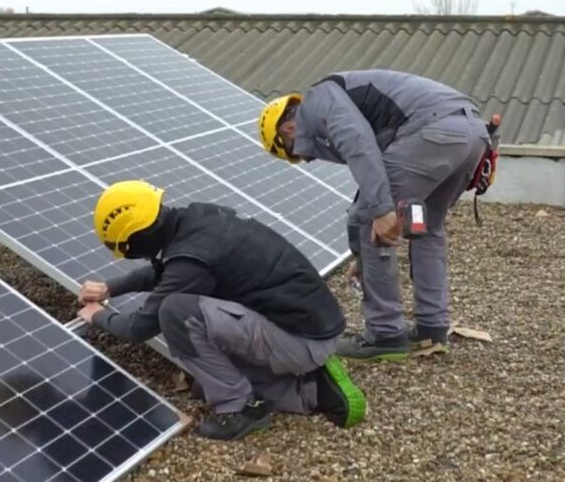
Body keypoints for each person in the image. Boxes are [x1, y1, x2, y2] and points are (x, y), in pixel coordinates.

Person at [76, 180, 366, 441]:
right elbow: (170, 270)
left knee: (177, 313)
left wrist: (98, 315)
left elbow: (137, 328)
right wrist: (110, 288)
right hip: (311, 325)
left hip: (302, 342)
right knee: (205, 375)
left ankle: (238, 408)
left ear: (137, 240)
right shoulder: (197, 219)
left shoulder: (190, 261)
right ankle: (313, 389)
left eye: (127, 249)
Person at [258, 70, 492, 361]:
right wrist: (363, 258)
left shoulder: (319, 99)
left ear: (288, 131)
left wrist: (380, 212)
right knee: (424, 226)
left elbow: (359, 145)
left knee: (371, 219)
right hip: (472, 136)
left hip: (431, 133)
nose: (307, 158)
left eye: (296, 154)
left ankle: (385, 333)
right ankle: (432, 327)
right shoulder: (345, 98)